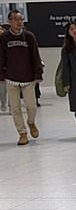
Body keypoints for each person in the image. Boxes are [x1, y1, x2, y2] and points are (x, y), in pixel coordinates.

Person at [0, 9, 43, 145]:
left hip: (28, 77)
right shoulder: (3, 38)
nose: (19, 22)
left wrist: (38, 74)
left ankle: (31, 122)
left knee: (31, 106)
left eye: (21, 19)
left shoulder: (29, 36)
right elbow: (1, 57)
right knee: (15, 108)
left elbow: (35, 56)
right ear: (9, 21)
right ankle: (22, 133)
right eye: (16, 19)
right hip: (11, 77)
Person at [0, 25, 7, 112]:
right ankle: (3, 103)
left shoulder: (6, 41)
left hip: (7, 69)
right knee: (2, 90)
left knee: (7, 89)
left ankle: (9, 106)